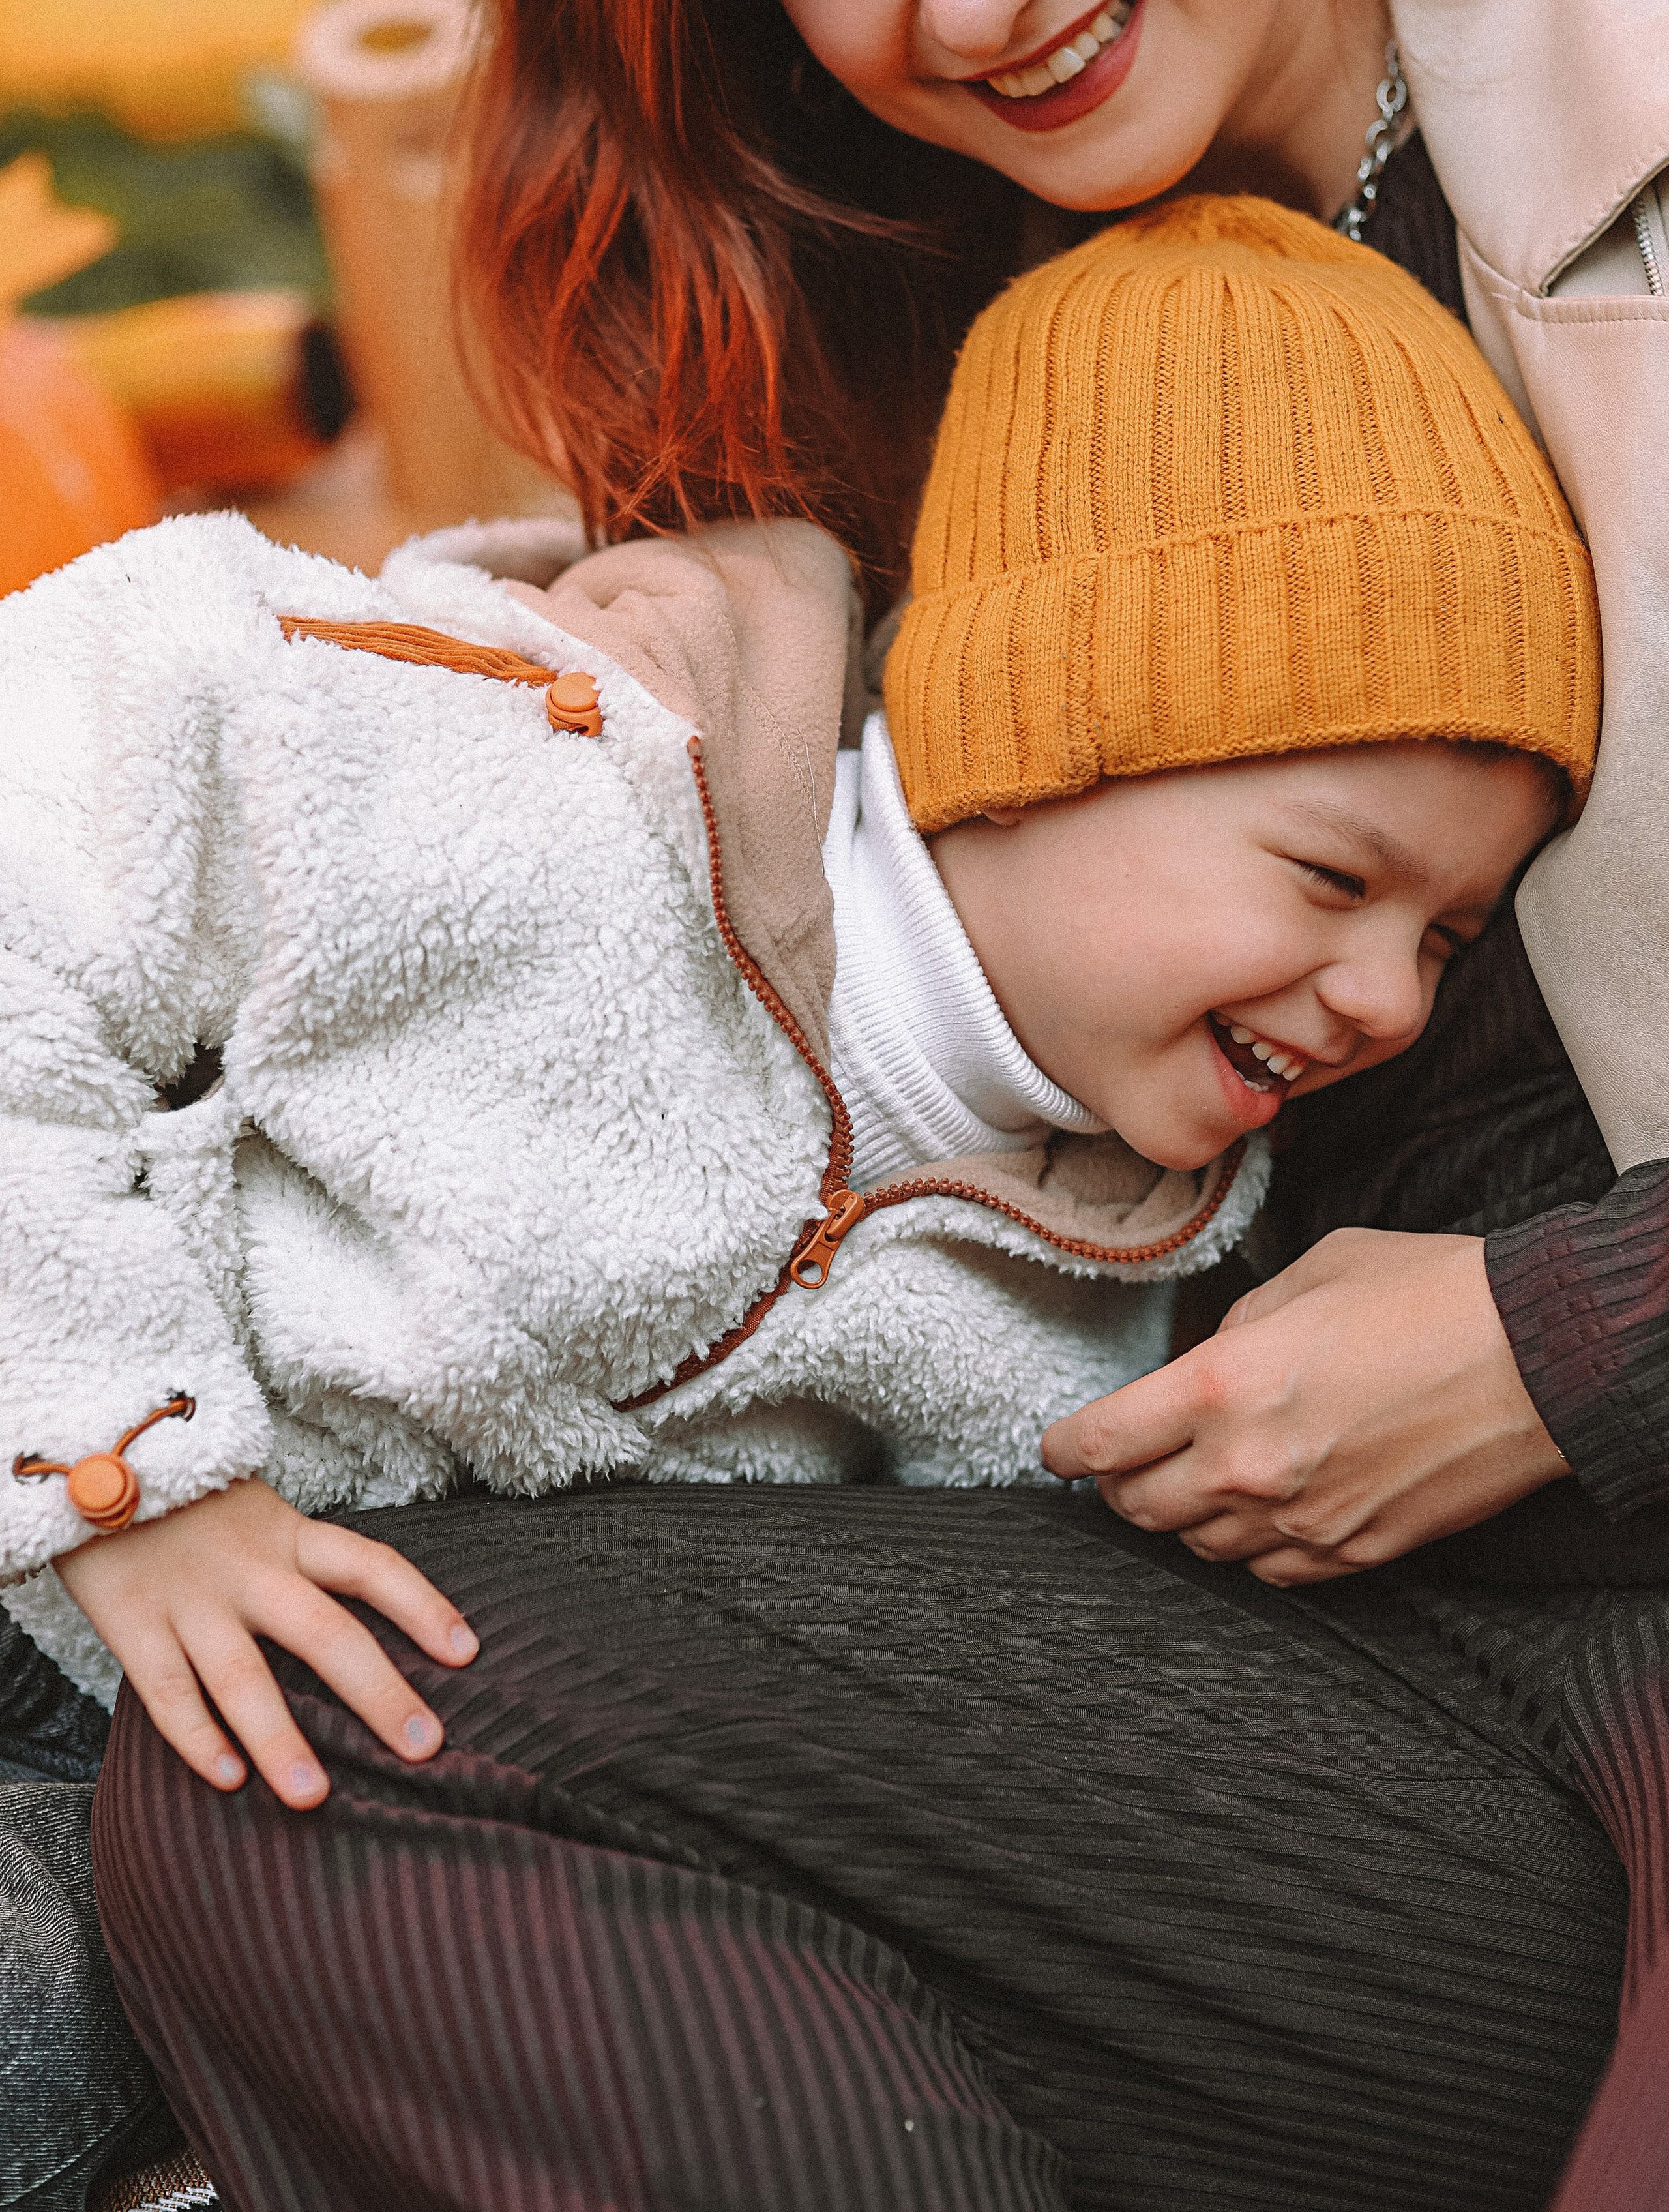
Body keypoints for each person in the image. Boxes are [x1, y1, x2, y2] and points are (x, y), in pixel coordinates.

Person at [8, 205, 1610, 2212]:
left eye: (1448, 938)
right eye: (1328, 877)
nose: (1386, 994)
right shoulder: (508, 774)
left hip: (252, 1777)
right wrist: (126, 1479)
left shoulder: (1120, 1295)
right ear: (1047, 736)